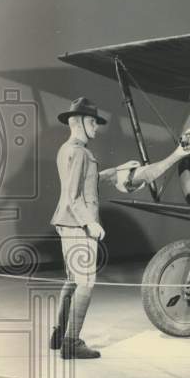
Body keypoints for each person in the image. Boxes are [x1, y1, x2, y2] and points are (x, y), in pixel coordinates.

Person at [50, 97, 142, 359]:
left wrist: (117, 171)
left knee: (73, 280)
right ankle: (71, 342)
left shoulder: (68, 149)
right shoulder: (79, 152)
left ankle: (59, 335)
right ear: (77, 122)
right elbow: (73, 195)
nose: (96, 127)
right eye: (92, 121)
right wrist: (89, 222)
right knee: (86, 283)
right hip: (78, 224)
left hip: (66, 222)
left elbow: (86, 182)